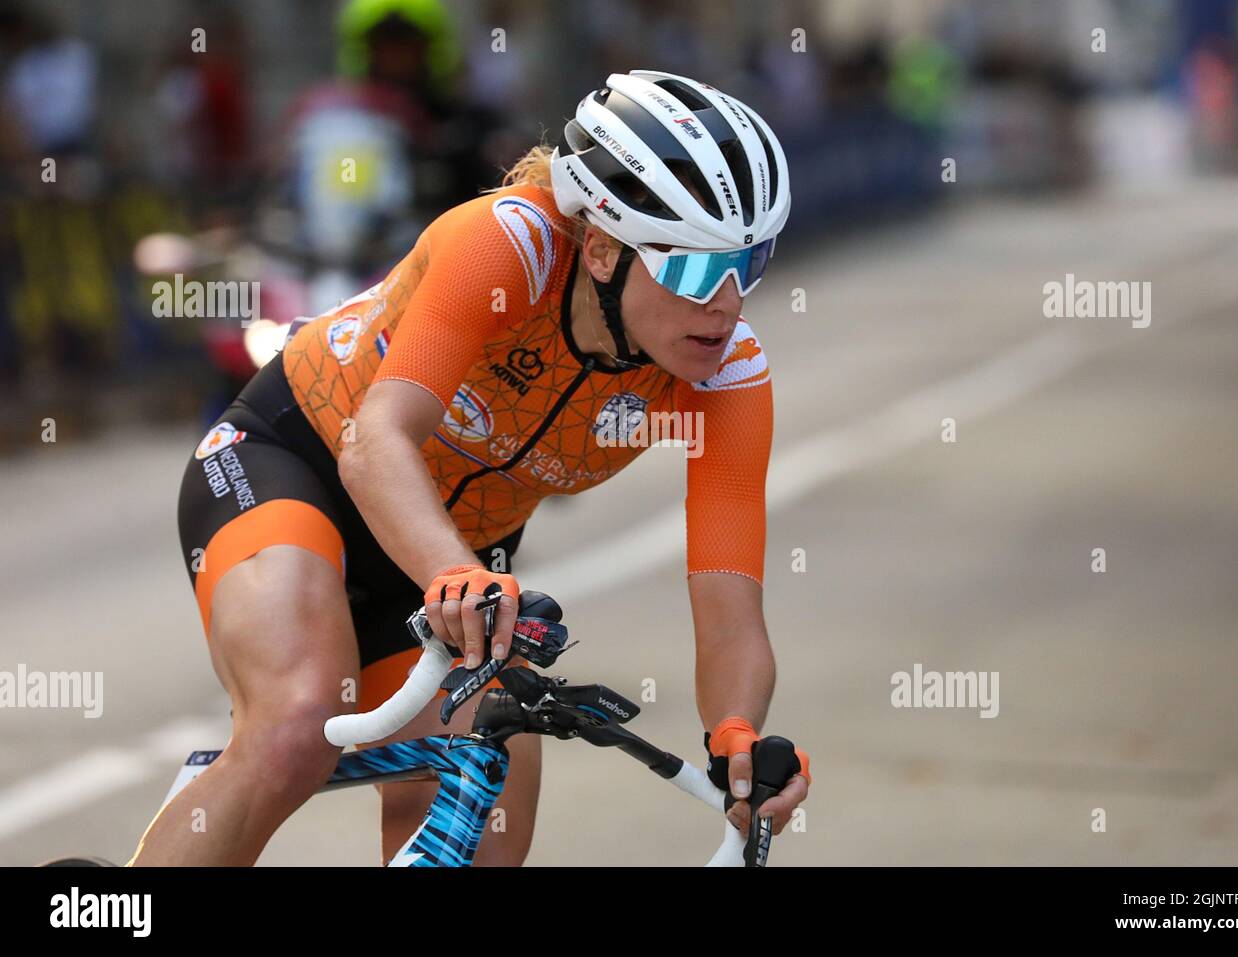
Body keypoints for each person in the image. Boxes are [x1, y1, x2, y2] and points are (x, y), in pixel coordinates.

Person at [129, 69, 810, 866]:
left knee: (494, 772)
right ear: (599, 247)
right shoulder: (508, 246)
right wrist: (454, 571)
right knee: (296, 721)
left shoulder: (724, 376)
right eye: (694, 269)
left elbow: (730, 605)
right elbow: (374, 441)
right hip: (296, 462)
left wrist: (737, 737)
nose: (726, 304)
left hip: (452, 555)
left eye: (748, 263)